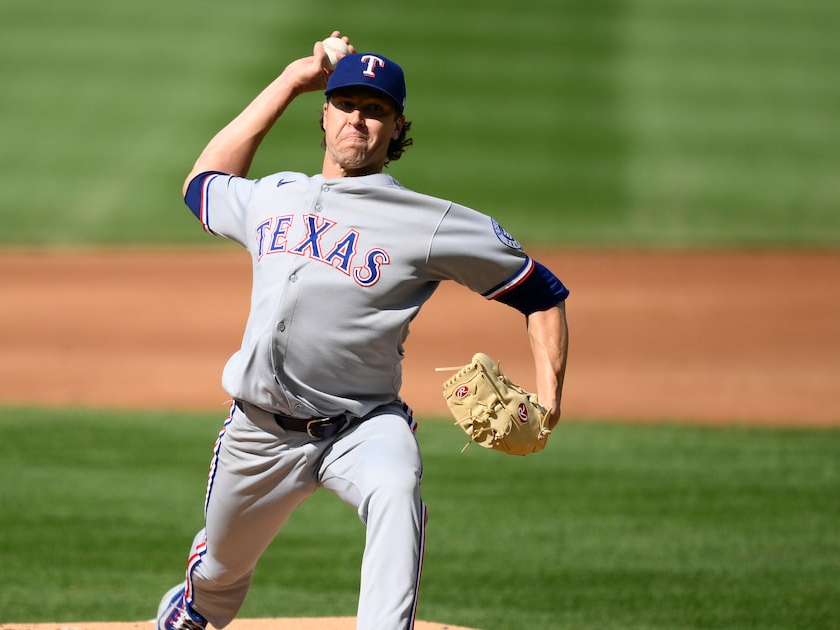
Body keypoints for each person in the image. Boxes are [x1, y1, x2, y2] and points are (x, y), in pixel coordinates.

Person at [157, 32, 569, 630]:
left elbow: (541, 292)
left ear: (397, 127)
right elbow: (203, 183)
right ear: (323, 115)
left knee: (397, 488)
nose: (358, 119)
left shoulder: (430, 222)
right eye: (346, 103)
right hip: (259, 431)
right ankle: (191, 610)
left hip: (363, 425)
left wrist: (551, 400)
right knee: (218, 578)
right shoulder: (275, 195)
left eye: (375, 110)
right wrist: (293, 79)